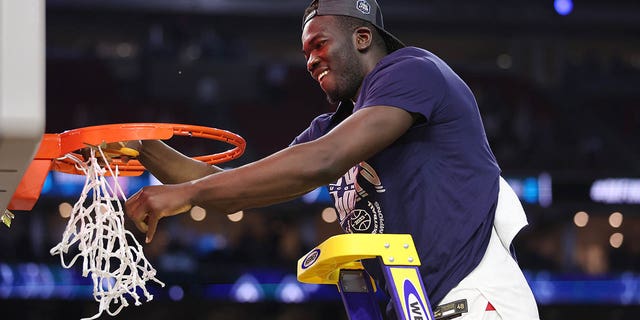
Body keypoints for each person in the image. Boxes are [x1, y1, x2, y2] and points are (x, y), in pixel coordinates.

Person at [123, 0, 540, 319]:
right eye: (306, 51)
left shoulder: (412, 71)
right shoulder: (332, 127)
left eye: (319, 44)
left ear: (362, 38)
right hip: (419, 305)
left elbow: (324, 160)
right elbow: (231, 189)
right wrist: (141, 147)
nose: (309, 60)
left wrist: (189, 193)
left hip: (475, 298)